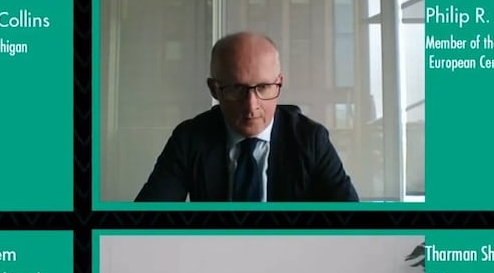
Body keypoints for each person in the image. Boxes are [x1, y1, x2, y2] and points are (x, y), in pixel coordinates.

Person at [135, 32, 359, 202]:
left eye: (263, 87)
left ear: (279, 82)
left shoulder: (311, 139)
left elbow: (352, 228)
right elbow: (145, 224)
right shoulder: (189, 138)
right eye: (235, 89)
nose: (251, 106)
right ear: (214, 89)